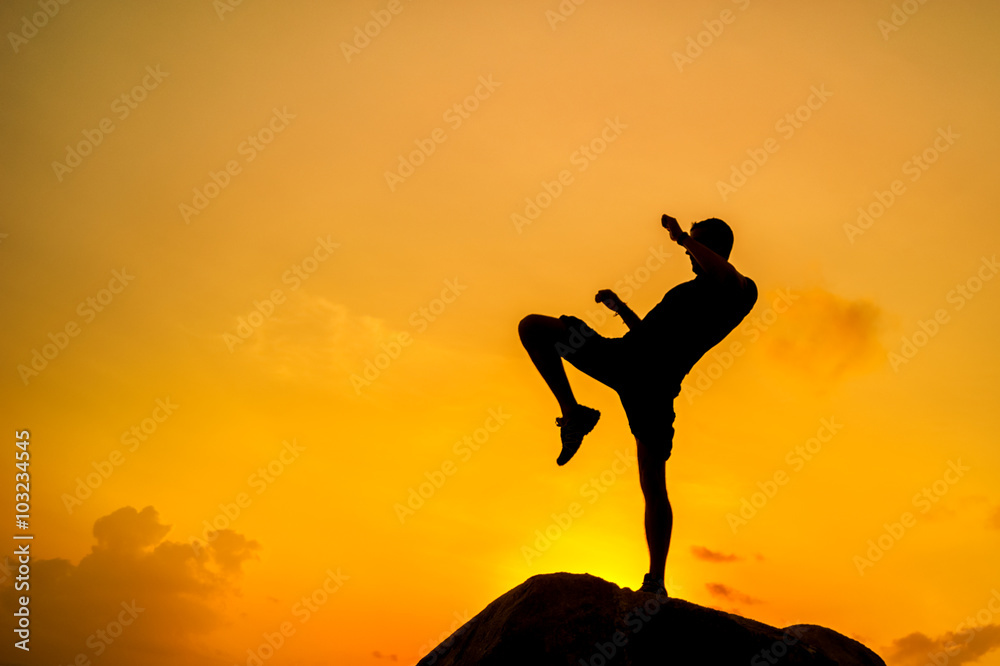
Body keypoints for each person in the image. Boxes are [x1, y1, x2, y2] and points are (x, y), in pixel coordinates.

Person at [517, 214, 757, 595]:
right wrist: (622, 308)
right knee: (533, 327)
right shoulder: (686, 291)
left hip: (655, 389)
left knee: (653, 488)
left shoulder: (739, 292)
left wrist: (682, 238)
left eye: (695, 246)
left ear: (711, 249)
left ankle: (656, 581)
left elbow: (725, 276)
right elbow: (650, 336)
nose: (687, 254)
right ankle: (574, 413)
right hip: (622, 360)